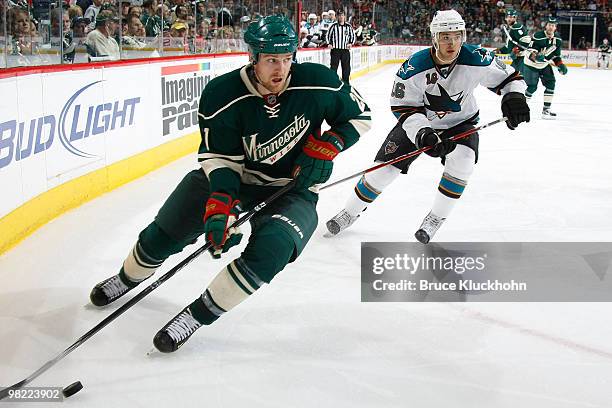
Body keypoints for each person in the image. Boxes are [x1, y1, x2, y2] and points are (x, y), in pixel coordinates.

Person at [89, 15, 371, 353]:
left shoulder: (319, 81)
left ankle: (196, 316)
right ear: (252, 58)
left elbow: (360, 116)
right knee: (166, 231)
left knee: (274, 250)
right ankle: (127, 278)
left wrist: (329, 145)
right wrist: (221, 204)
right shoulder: (222, 94)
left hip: (292, 189)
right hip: (237, 179)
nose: (280, 69)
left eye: (286, 59)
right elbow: (220, 160)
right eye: (270, 60)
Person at [326, 9, 530, 244]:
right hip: (420, 123)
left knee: (463, 163)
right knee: (383, 170)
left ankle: (435, 218)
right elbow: (403, 107)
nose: (452, 43)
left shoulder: (477, 58)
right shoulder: (414, 67)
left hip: (460, 124)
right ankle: (350, 212)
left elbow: (510, 79)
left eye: (456, 36)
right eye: (445, 37)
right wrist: (423, 133)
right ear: (434, 38)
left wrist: (514, 97)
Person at [523, 16, 568, 119]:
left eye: (553, 25)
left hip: (544, 65)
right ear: (546, 26)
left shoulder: (558, 40)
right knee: (532, 87)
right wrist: (536, 57)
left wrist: (560, 64)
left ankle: (546, 110)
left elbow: (555, 56)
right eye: (549, 25)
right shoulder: (538, 36)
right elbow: (529, 51)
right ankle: (520, 107)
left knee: (551, 84)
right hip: (531, 65)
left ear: (555, 27)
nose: (551, 27)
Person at [494, 9, 529, 74]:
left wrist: (516, 49)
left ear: (515, 18)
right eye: (508, 17)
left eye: (512, 17)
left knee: (516, 79)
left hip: (521, 59)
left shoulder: (517, 26)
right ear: (505, 18)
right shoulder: (510, 29)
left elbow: (526, 41)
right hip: (516, 59)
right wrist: (501, 50)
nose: (510, 19)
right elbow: (508, 46)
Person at [327, 10, 356, 82]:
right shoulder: (333, 26)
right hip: (335, 50)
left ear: (345, 17)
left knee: (346, 68)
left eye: (342, 15)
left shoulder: (349, 26)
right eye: (339, 15)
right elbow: (328, 35)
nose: (341, 17)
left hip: (345, 50)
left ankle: (346, 83)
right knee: (334, 67)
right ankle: (333, 82)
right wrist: (329, 43)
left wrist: (350, 43)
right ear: (337, 17)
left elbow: (353, 36)